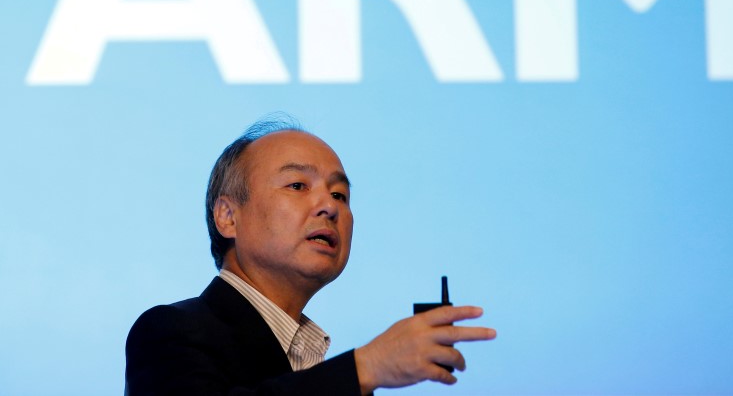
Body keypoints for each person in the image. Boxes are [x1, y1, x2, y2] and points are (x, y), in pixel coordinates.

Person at [125, 119, 496, 395]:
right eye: (298, 186)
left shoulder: (317, 365)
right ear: (228, 216)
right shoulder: (170, 332)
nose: (328, 207)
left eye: (339, 195)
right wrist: (367, 365)